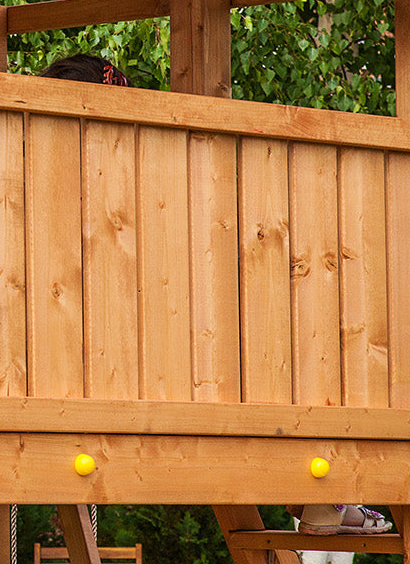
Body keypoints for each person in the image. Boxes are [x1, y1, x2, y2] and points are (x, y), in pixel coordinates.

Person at [40, 53, 391, 540]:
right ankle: (323, 499)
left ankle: (322, 499)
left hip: (90, 354)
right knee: (280, 331)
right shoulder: (137, 179)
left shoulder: (43, 179)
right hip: (138, 360)